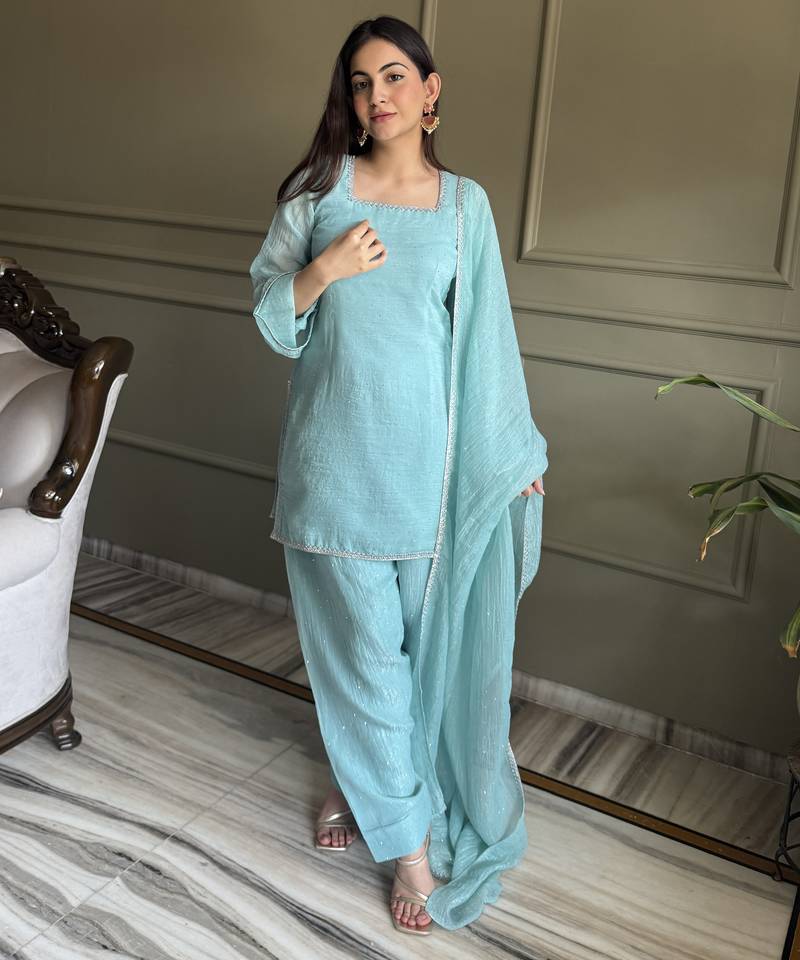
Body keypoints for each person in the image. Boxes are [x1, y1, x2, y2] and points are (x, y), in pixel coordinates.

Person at [249, 15, 548, 936]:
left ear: (429, 90)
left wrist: (514, 454)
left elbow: (486, 340)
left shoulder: (466, 207)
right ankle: (410, 852)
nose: (375, 97)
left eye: (392, 77)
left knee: (425, 664)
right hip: (334, 473)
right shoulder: (318, 196)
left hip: (432, 481)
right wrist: (324, 270)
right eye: (359, 82)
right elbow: (270, 314)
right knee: (366, 664)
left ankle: (359, 784)